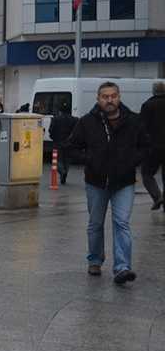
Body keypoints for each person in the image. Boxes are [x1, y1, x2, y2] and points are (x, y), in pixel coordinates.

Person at [66, 81, 150, 285]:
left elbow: (146, 146)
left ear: (119, 97)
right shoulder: (87, 122)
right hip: (96, 181)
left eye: (113, 96)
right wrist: (90, 160)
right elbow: (71, 148)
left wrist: (131, 161)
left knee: (121, 223)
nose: (109, 100)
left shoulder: (133, 121)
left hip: (124, 182)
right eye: (105, 96)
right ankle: (95, 260)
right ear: (98, 99)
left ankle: (122, 268)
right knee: (95, 224)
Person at [140, 81, 165, 210]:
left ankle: (157, 196)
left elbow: (141, 127)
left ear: (153, 91)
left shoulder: (148, 105)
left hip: (153, 147)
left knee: (147, 174)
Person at [49, 101, 79, 185]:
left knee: (58, 160)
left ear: (60, 111)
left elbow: (51, 130)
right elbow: (77, 131)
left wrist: (53, 137)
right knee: (67, 160)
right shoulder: (74, 119)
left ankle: (62, 172)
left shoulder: (56, 119)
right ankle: (65, 174)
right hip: (69, 143)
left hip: (58, 142)